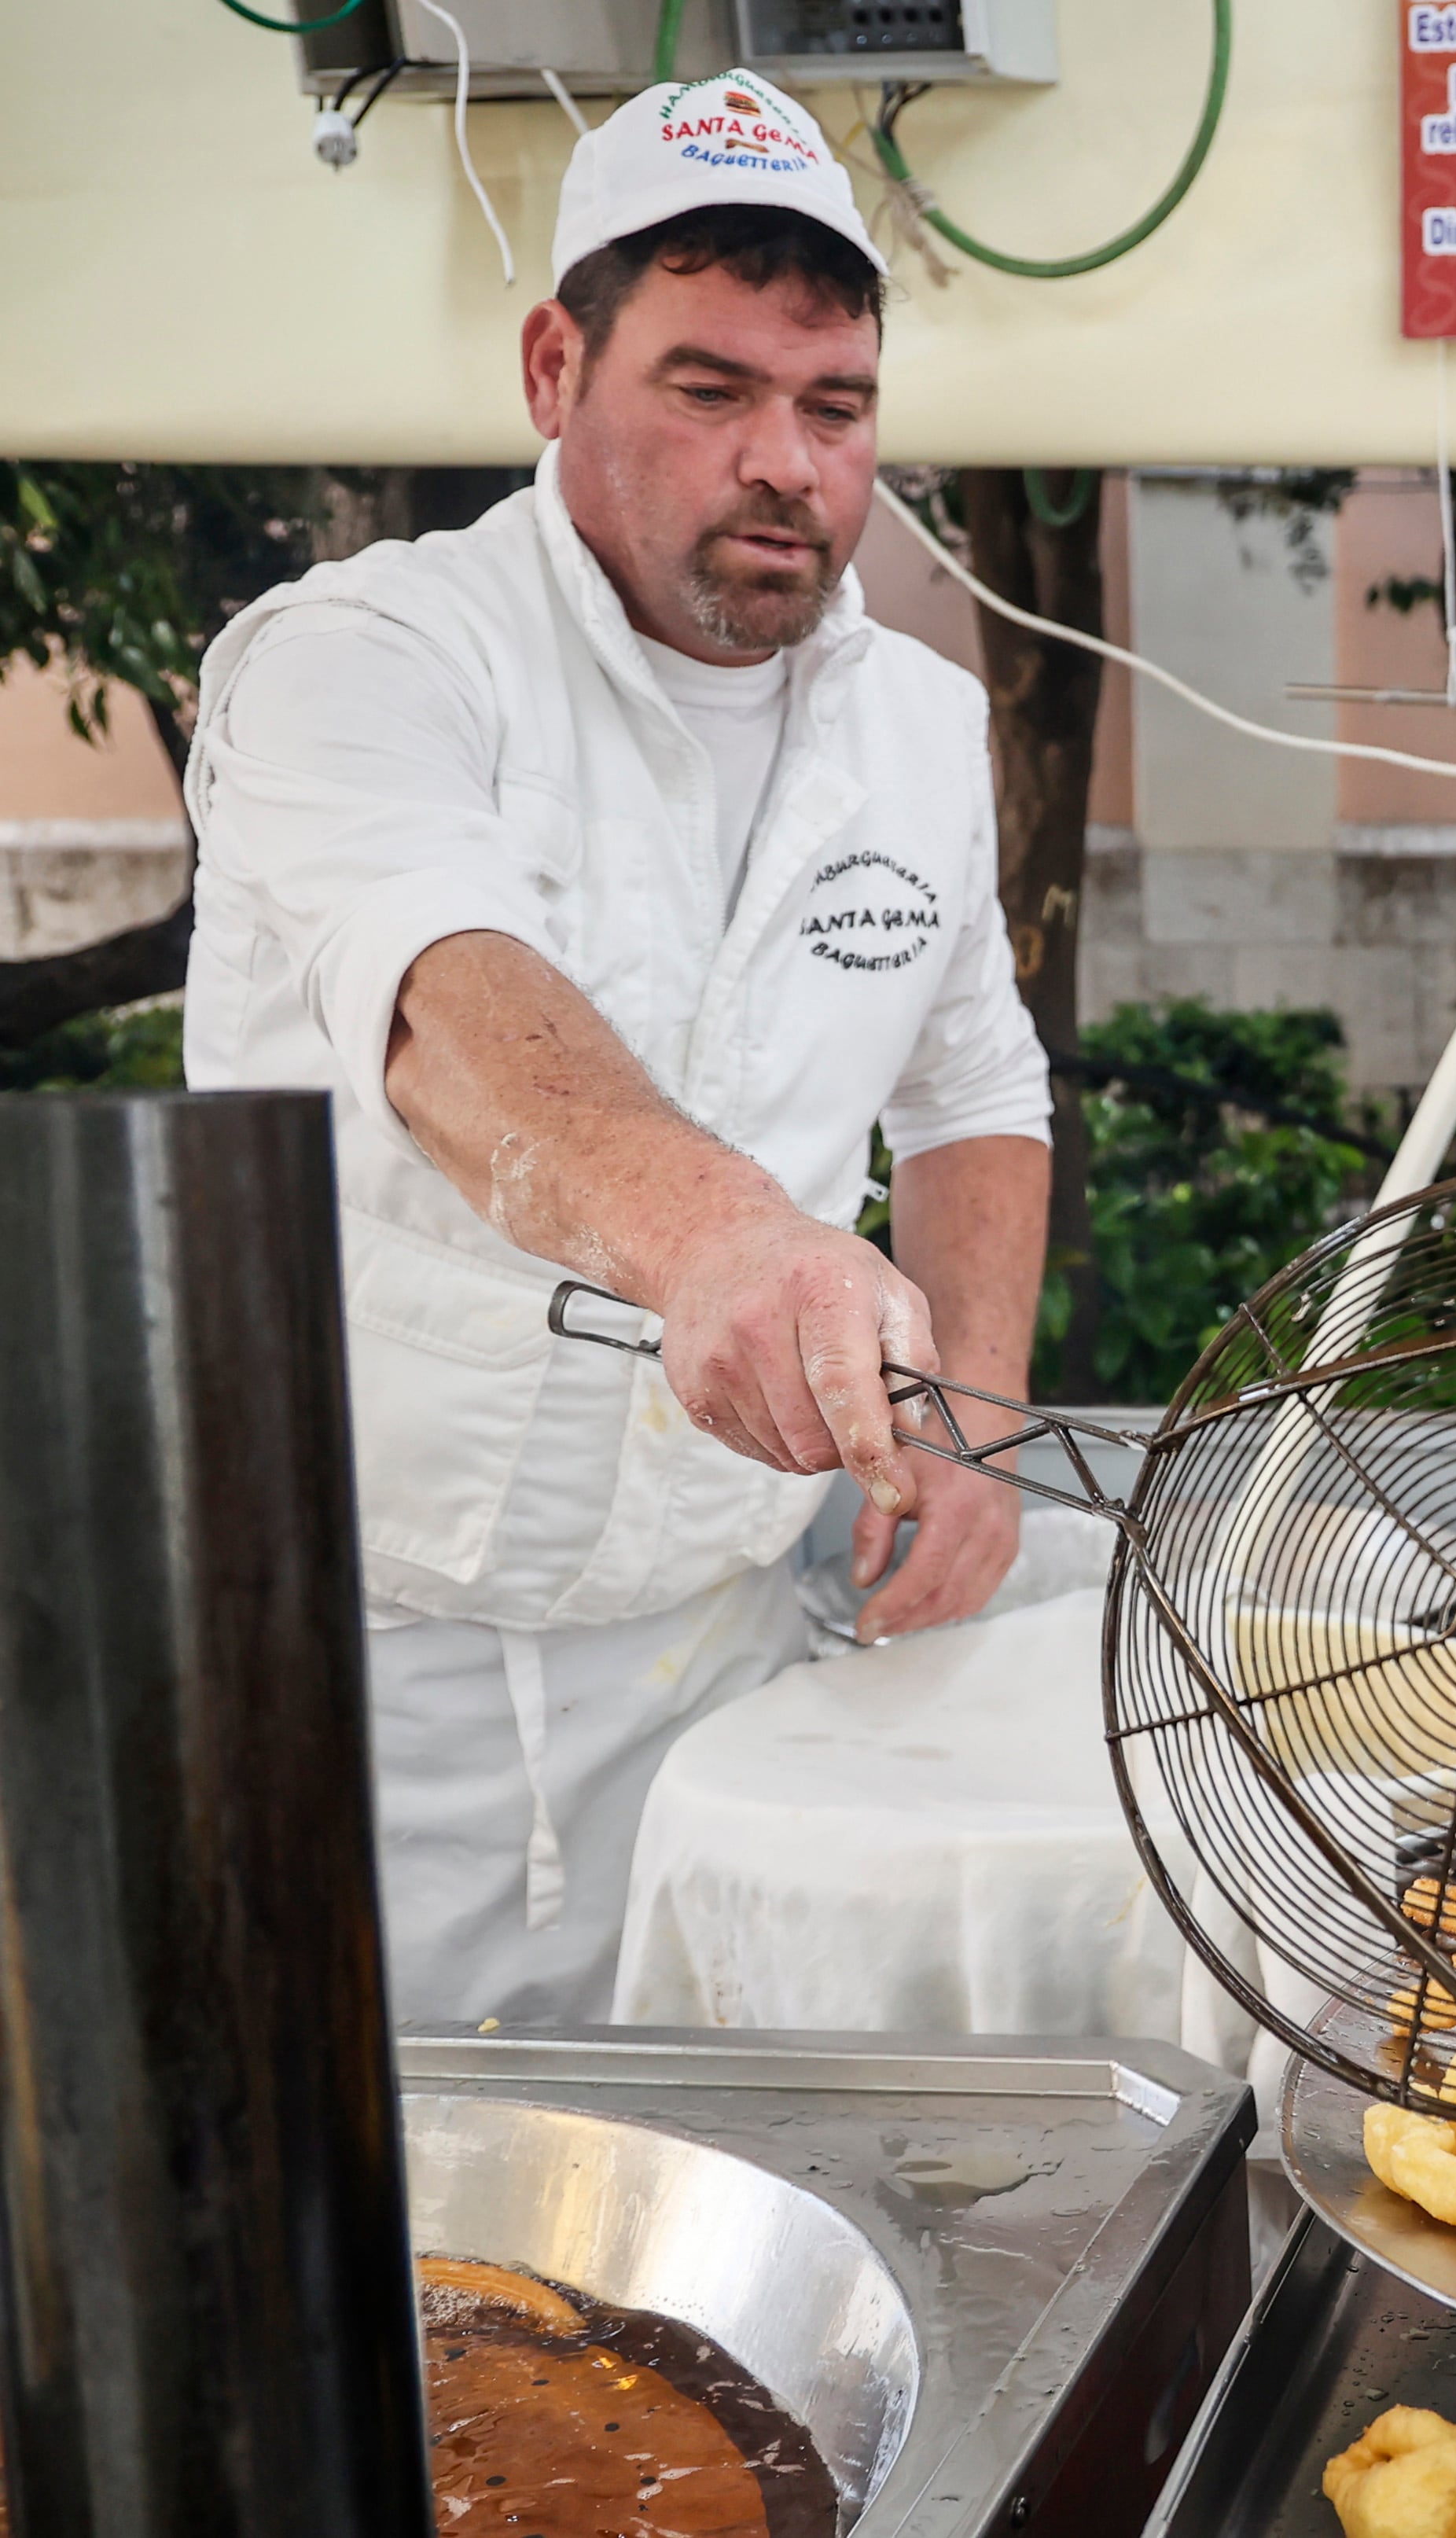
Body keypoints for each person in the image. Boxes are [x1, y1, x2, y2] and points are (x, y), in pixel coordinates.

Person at [182, 74, 1050, 2029]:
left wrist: (974, 1421)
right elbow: (441, 988)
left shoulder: (915, 725)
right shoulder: (367, 658)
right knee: (386, 2236)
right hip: (368, 1656)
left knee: (699, 2232)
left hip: (732, 1653)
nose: (787, 467)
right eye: (709, 390)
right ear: (555, 366)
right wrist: (728, 1242)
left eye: (835, 410)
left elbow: (974, 1085)